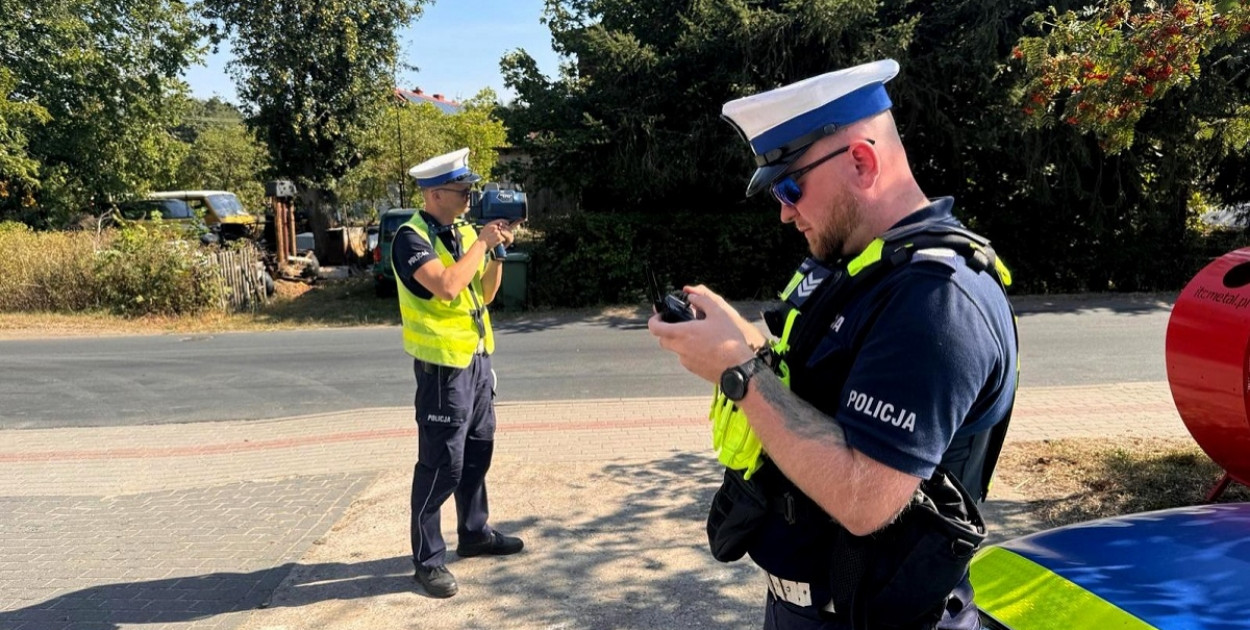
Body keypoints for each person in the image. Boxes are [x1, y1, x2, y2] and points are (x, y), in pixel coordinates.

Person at [648, 59, 1018, 629]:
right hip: (812, 609)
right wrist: (744, 342)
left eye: (790, 186)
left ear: (862, 162)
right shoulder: (860, 266)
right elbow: (816, 393)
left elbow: (864, 498)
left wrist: (739, 369)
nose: (784, 212)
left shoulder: (937, 299)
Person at [392, 147, 524, 599]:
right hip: (442, 371)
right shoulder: (410, 239)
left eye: (469, 187)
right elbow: (447, 288)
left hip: (476, 360)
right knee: (440, 466)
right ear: (433, 195)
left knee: (477, 453)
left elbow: (483, 295)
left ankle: (474, 533)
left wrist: (498, 251)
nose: (470, 195)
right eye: (461, 189)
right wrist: (483, 244)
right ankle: (427, 561)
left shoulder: (464, 231)